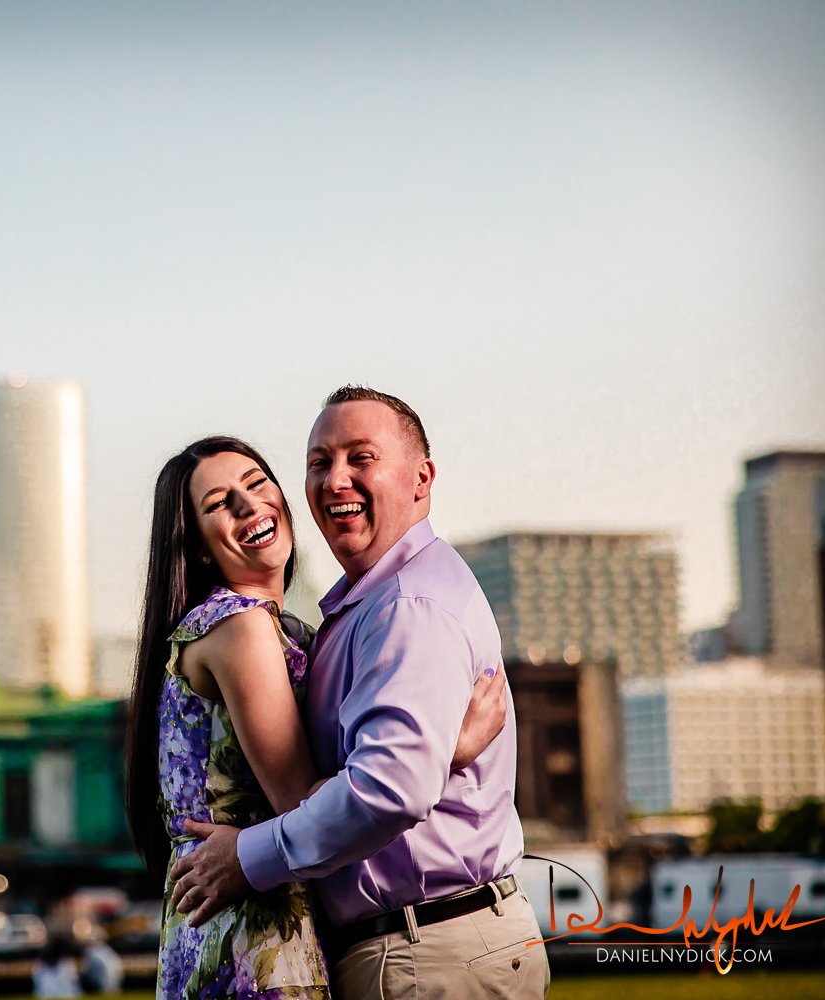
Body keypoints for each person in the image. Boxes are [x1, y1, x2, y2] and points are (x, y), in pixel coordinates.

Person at [166, 387, 549, 999]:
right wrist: (441, 755)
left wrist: (250, 858)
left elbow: (390, 788)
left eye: (360, 458)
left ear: (422, 478)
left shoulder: (405, 606)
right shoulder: (337, 612)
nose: (335, 478)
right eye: (319, 462)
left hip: (426, 949)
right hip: (407, 946)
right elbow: (383, 778)